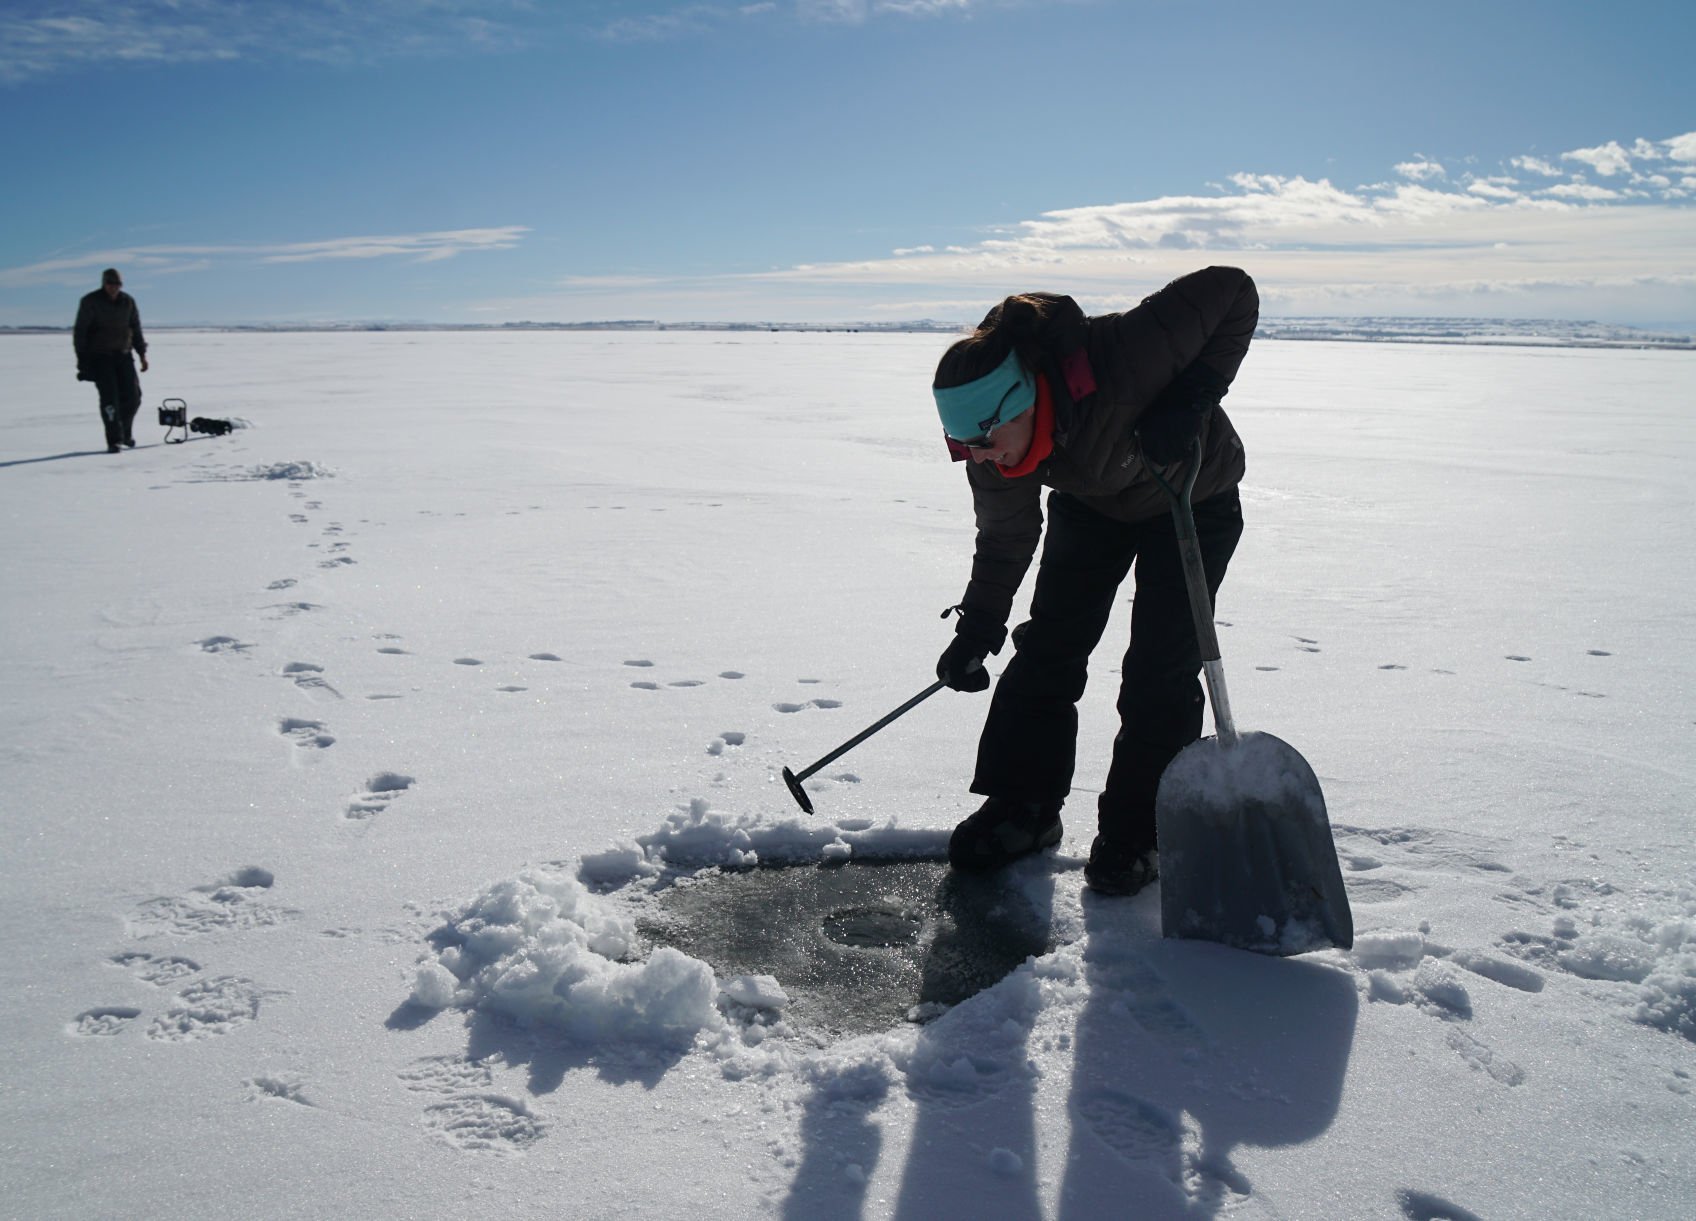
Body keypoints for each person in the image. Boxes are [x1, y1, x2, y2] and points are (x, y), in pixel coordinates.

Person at [931, 265, 1258, 896]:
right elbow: (1004, 541)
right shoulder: (995, 453)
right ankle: (1023, 808)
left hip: (1193, 495)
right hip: (1096, 503)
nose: (976, 455)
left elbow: (1232, 289)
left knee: (1159, 670)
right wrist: (977, 628)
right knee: (1050, 646)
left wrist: (1193, 396)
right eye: (958, 445)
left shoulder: (1121, 358)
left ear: (1019, 401)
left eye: (982, 439)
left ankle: (1139, 834)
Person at [74, 268, 149, 453]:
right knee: (110, 400)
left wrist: (142, 354)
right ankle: (114, 440)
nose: (113, 288)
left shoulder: (127, 302)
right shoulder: (91, 301)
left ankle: (125, 432)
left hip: (123, 355)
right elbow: (80, 333)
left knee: (133, 397)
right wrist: (83, 361)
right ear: (104, 284)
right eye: (110, 284)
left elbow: (135, 328)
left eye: (117, 284)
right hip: (100, 357)